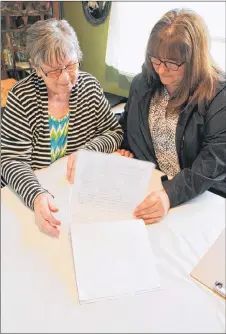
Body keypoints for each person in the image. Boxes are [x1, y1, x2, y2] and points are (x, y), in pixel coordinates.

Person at [1, 19, 123, 237]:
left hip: (71, 194)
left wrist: (88, 150)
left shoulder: (90, 86)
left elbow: (114, 132)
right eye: (55, 71)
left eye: (71, 65)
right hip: (29, 193)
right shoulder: (21, 96)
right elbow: (11, 160)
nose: (67, 78)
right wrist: (36, 195)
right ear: (37, 69)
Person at [118, 8, 226, 225]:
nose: (162, 70)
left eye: (172, 63)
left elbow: (214, 159)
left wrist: (169, 195)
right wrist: (125, 147)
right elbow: (129, 124)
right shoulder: (142, 83)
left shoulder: (218, 94)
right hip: (153, 186)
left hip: (202, 196)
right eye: (156, 60)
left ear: (194, 60)